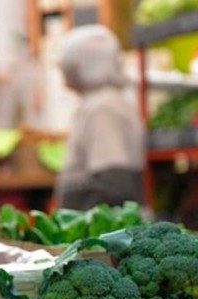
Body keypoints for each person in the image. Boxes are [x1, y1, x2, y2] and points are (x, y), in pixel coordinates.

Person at [54, 25, 146, 210]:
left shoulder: (103, 107)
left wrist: (83, 229)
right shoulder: (100, 103)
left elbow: (114, 184)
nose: (64, 74)